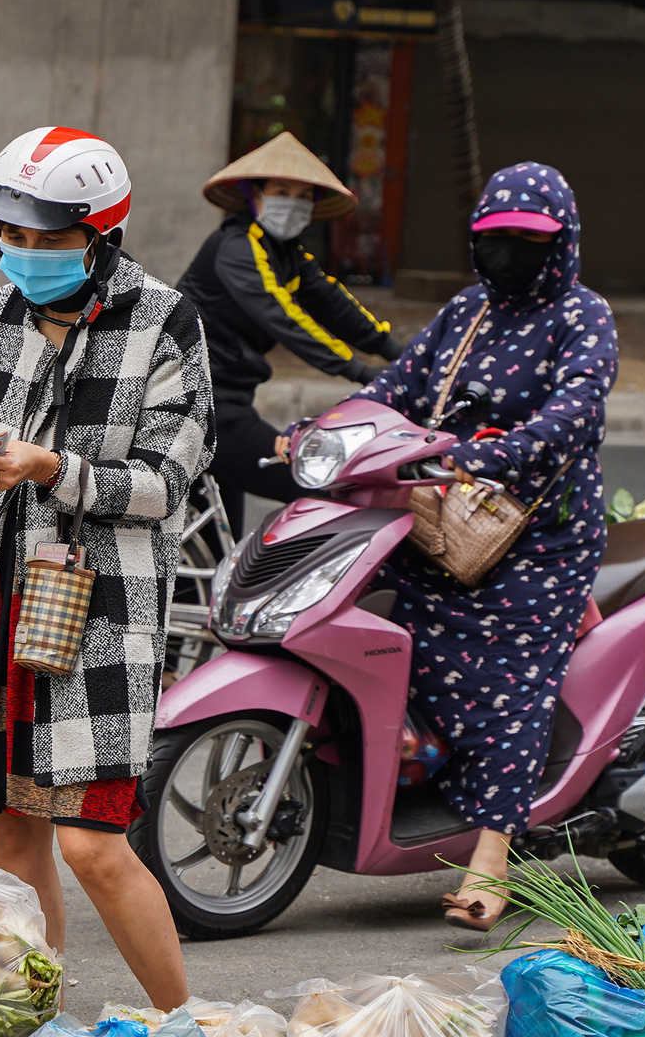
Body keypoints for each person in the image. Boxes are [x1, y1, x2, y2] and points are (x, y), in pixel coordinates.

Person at [0, 127, 213, 1009]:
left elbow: (166, 483)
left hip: (92, 618)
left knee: (93, 846)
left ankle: (191, 1035)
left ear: (102, 234)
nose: (22, 253)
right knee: (15, 854)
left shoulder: (165, 323)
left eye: (46, 238)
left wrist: (52, 468)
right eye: (10, 236)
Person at [350, 163, 613, 931]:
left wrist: (489, 454)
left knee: (514, 673)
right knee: (380, 613)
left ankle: (493, 853)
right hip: (446, 512)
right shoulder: (468, 311)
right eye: (494, 240)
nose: (508, 254)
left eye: (527, 242)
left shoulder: (580, 315)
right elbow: (396, 387)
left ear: (561, 245)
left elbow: (576, 412)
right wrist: (325, 431)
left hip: (539, 533)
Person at [177, 132, 403, 535]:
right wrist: (359, 371)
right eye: (282, 191)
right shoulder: (237, 245)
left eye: (302, 196)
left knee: (214, 546)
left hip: (226, 404)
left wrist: (397, 353)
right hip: (199, 408)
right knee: (318, 488)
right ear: (255, 195)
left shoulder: (292, 256)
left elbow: (336, 305)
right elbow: (282, 316)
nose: (292, 203)